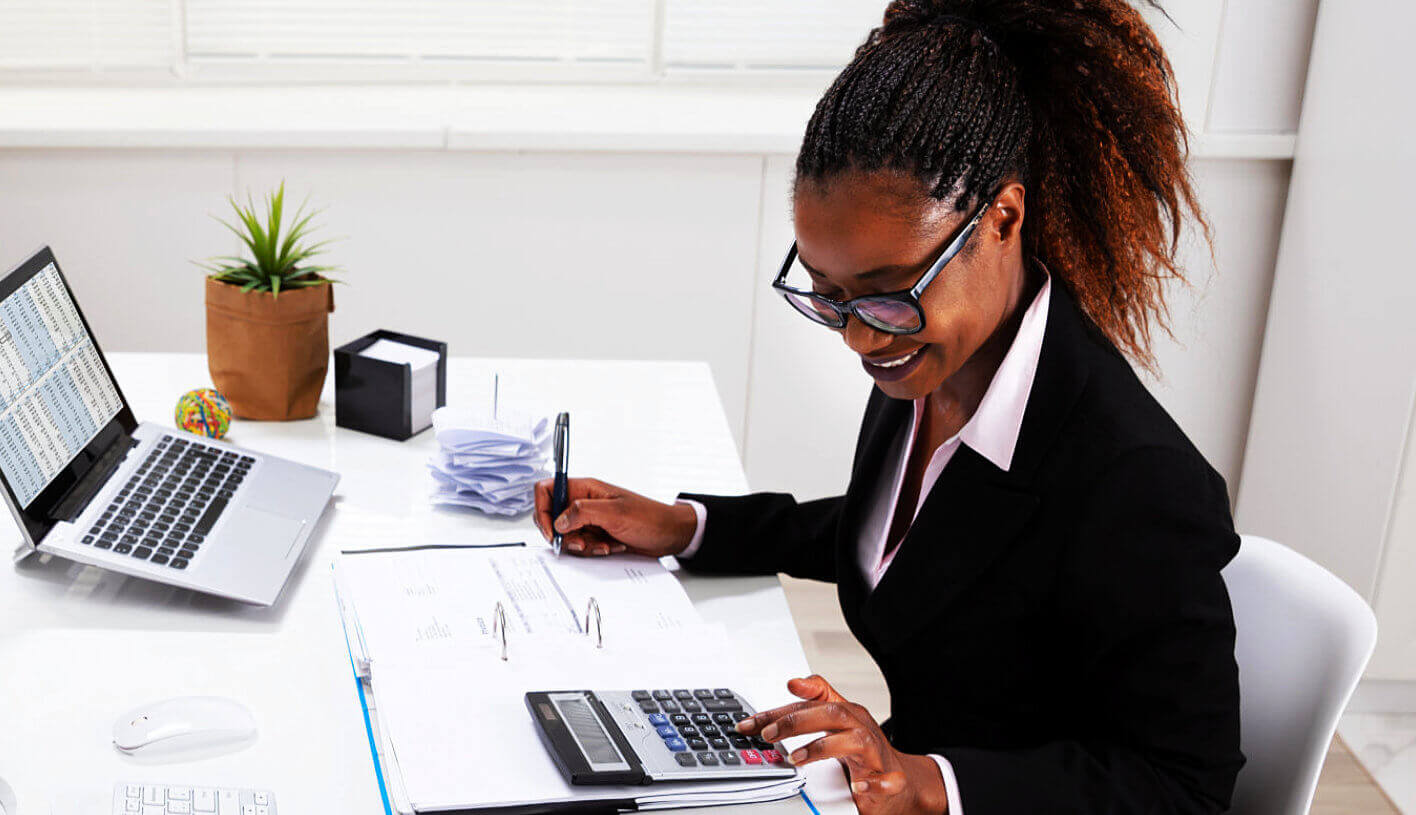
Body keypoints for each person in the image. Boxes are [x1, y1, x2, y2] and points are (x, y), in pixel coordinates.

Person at [532, 1, 1243, 812]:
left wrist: (926, 781)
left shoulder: (1137, 482)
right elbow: (906, 537)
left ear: (1003, 218)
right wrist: (684, 526)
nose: (861, 340)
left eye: (886, 295)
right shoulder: (935, 358)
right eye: (828, 297)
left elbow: (1187, 787)